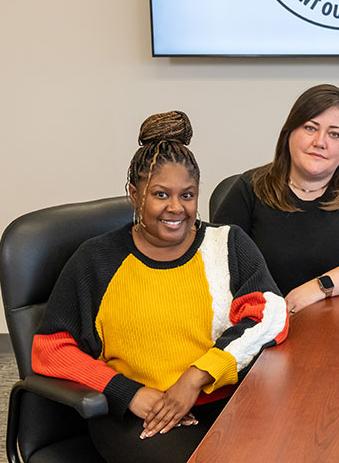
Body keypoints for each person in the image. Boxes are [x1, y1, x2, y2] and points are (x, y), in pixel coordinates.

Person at [32, 111, 288, 463]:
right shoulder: (97, 259)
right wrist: (129, 392)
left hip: (228, 401)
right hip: (138, 416)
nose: (175, 208)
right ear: (134, 195)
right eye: (160, 194)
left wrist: (195, 378)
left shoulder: (227, 244)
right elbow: (51, 348)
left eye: (187, 195)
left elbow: (270, 315)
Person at [213, 84, 339, 315]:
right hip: (269, 326)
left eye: (334, 134)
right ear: (289, 134)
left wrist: (319, 288)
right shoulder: (249, 188)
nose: (320, 142)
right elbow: (216, 265)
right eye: (310, 128)